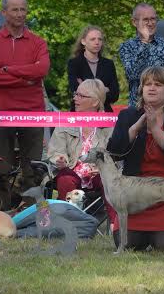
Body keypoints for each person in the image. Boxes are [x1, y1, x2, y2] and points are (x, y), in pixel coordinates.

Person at [107, 66, 164, 251]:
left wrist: (156, 129)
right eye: (147, 84)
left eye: (158, 84)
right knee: (127, 245)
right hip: (135, 198)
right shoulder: (128, 115)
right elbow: (114, 152)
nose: (151, 88)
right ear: (141, 89)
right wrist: (134, 128)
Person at [0, 0, 50, 209]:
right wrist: (26, 78)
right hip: (1, 111)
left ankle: (33, 213)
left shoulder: (38, 42)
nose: (19, 14)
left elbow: (42, 69)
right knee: (2, 166)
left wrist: (8, 71)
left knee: (33, 167)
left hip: (32, 111)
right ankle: (0, 214)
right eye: (14, 9)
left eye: (23, 9)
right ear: (4, 12)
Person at [47, 79, 116, 224]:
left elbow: (115, 155)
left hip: (99, 174)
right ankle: (67, 224)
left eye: (81, 96)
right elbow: (55, 150)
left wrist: (102, 167)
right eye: (75, 94)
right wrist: (61, 159)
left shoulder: (109, 125)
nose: (75, 99)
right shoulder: (66, 121)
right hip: (71, 170)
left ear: (95, 102)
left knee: (110, 179)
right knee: (65, 179)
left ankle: (116, 226)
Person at [119, 3, 164, 107]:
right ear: (134, 22)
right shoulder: (127, 46)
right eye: (146, 20)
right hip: (138, 107)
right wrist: (145, 43)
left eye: (153, 19)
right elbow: (132, 73)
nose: (150, 23)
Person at [67, 25, 119, 112]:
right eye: (92, 39)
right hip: (80, 114)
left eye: (100, 39)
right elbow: (75, 91)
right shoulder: (74, 63)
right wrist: (103, 89)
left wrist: (86, 89)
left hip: (104, 114)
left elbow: (115, 94)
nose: (97, 42)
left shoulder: (108, 64)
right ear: (83, 41)